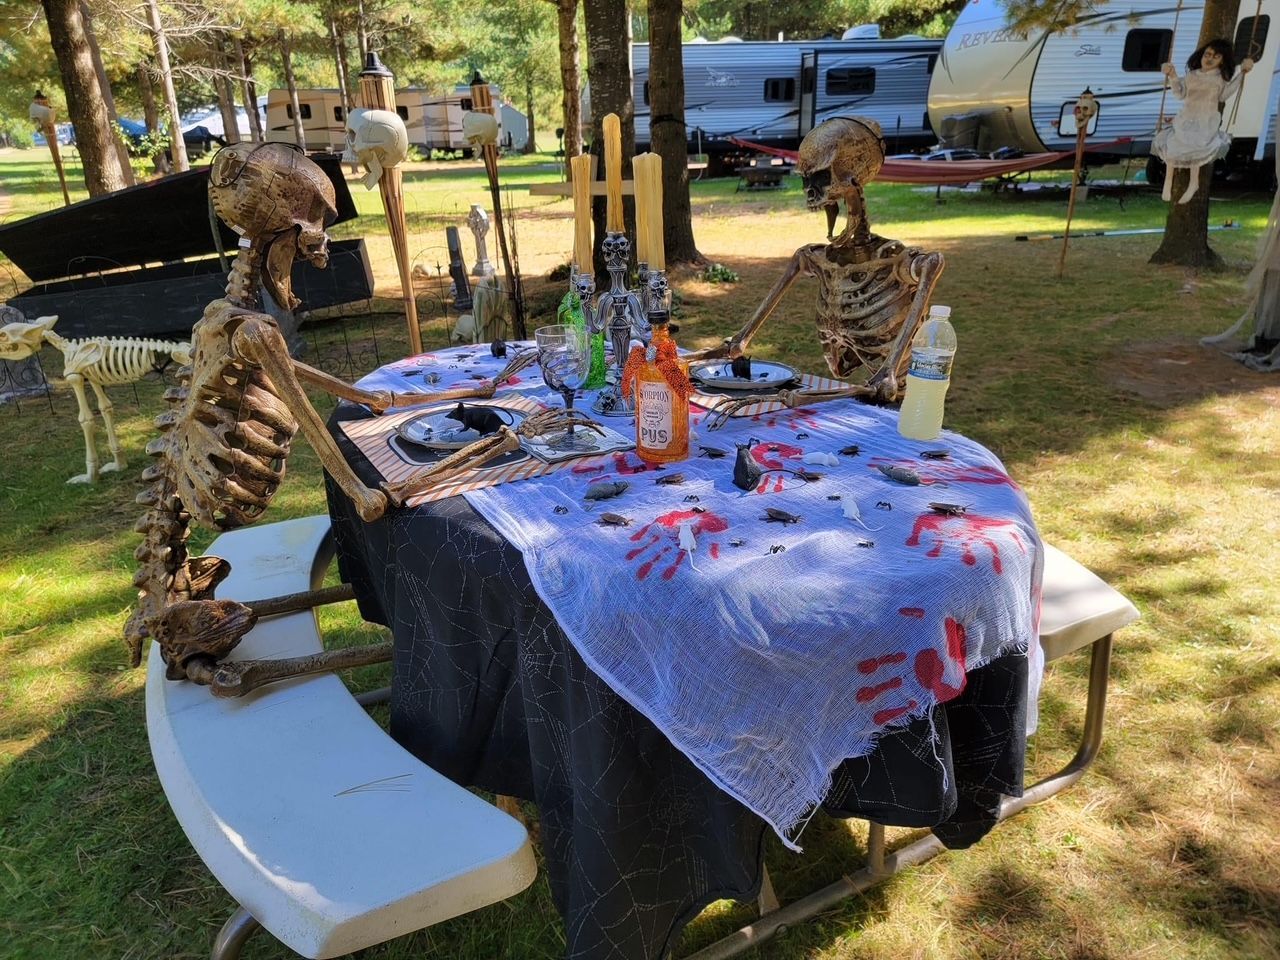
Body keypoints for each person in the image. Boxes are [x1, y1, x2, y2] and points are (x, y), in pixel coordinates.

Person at [1152, 39, 1253, 203]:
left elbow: (1224, 95)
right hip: (1187, 117)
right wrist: (1173, 76)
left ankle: (1194, 182)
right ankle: (1168, 180)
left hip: (1206, 119)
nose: (1210, 59)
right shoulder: (1192, 75)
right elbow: (1180, 94)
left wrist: (1242, 74)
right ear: (1201, 55)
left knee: (1197, 148)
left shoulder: (1220, 78)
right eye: (1207, 54)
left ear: (1222, 61)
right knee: (1173, 145)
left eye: (1216, 56)